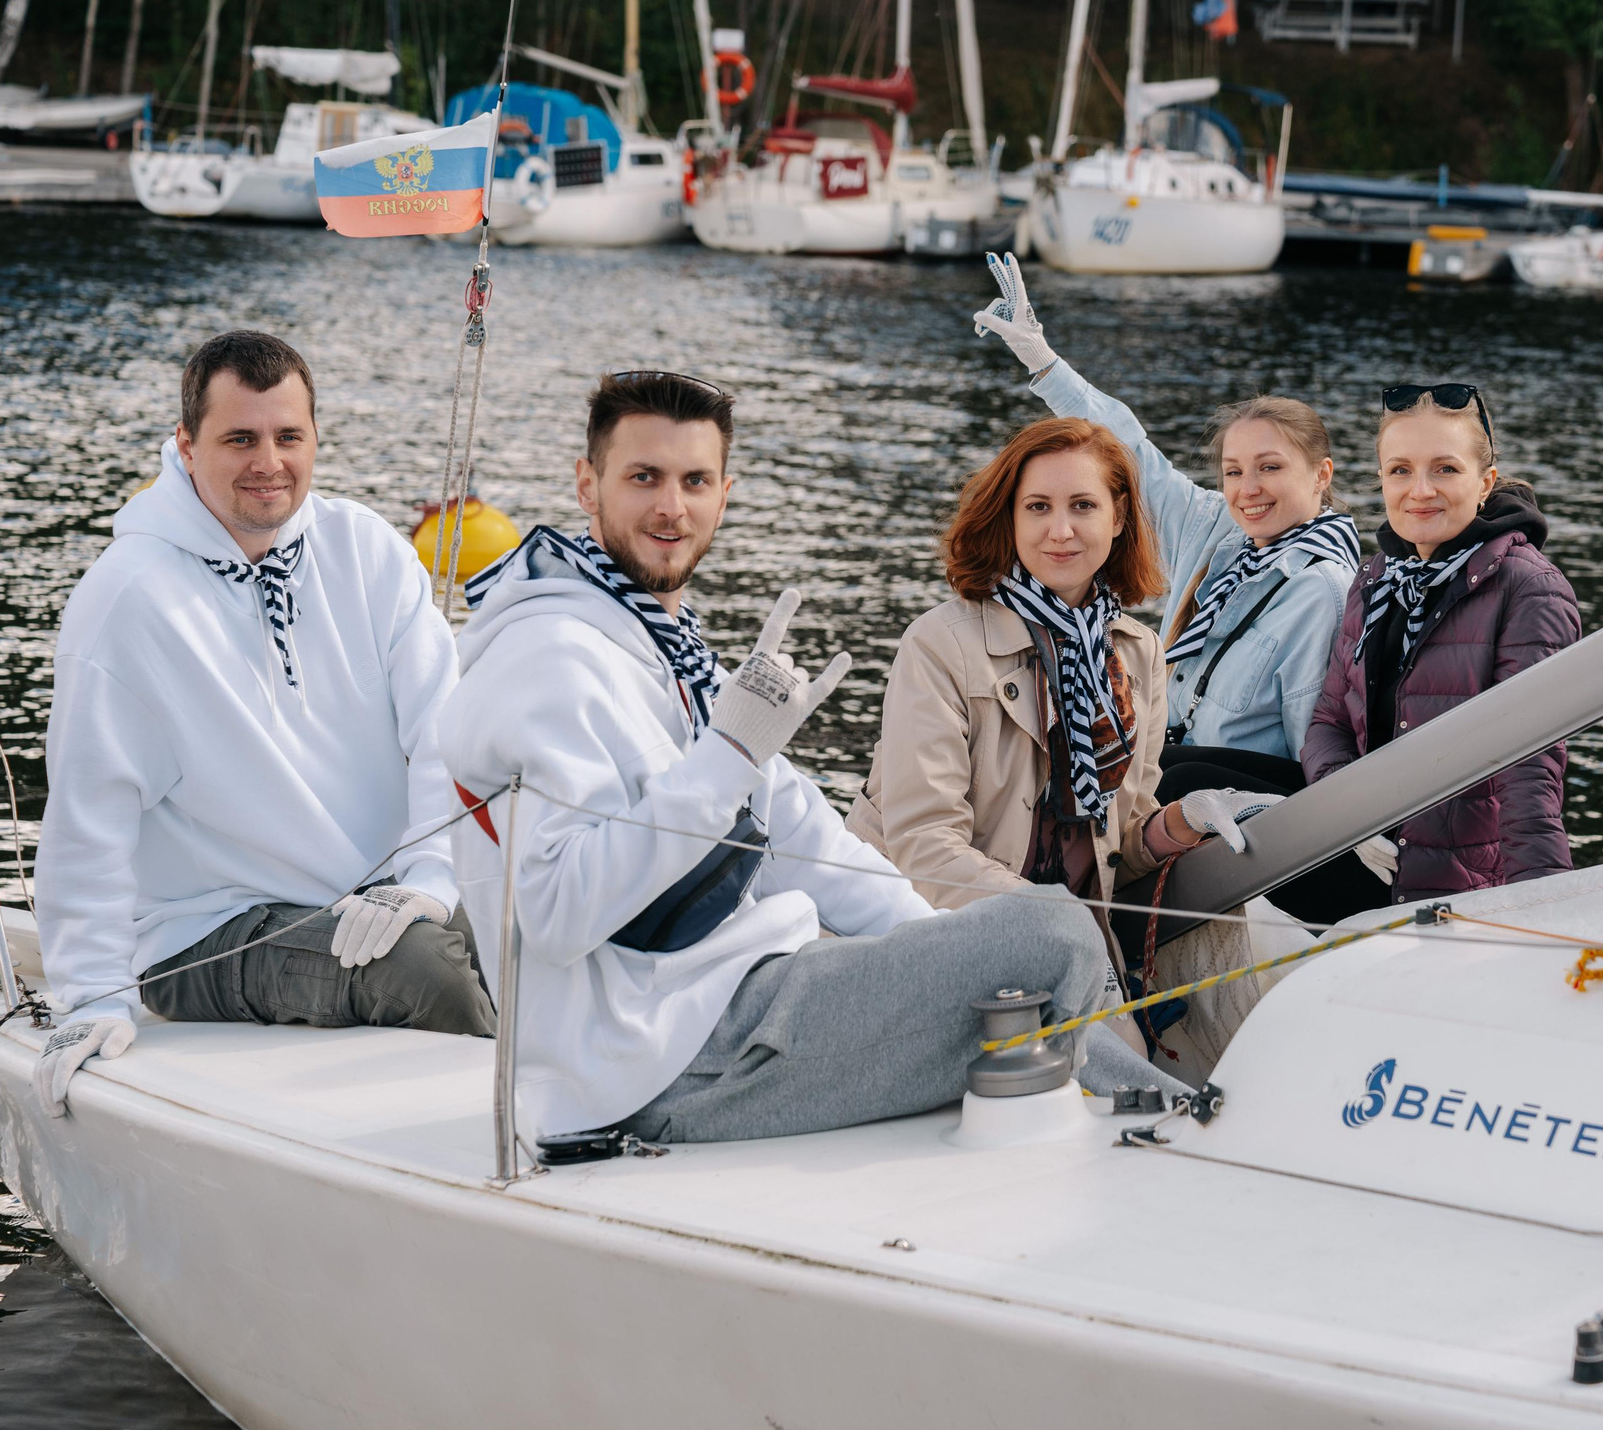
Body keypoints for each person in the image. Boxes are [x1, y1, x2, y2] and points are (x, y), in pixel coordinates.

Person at [439, 371, 1175, 1147]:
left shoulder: (669, 653)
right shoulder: (546, 657)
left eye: (695, 480)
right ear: (588, 486)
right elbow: (555, 914)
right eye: (643, 477)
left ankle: (1150, 1108)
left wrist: (944, 951)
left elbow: (814, 849)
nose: (671, 507)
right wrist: (726, 752)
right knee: (1053, 930)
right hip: (660, 1063)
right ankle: (1166, 1121)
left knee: (1024, 937)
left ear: (725, 494)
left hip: (747, 1004)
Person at [33, 331, 493, 1118]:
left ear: (316, 438)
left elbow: (441, 735)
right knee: (426, 971)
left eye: (289, 436)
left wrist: (430, 880)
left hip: (379, 895)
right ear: (186, 445)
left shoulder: (368, 551)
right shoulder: (127, 600)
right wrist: (90, 997)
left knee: (536, 916)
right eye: (239, 438)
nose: (267, 462)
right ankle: (524, 1154)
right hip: (206, 930)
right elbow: (88, 815)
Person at [850, 415, 1308, 1070]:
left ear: (1118, 516)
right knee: (1128, 1079)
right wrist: (1054, 924)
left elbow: (1117, 846)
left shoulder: (1139, 654)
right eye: (1038, 506)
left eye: (1082, 505)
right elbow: (925, 848)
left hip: (1073, 946)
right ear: (1009, 516)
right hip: (940, 936)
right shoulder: (940, 643)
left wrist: (1186, 819)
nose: (1059, 529)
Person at [967, 254, 1369, 920]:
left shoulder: (1323, 588)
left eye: (1270, 467)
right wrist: (1043, 363)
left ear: (1321, 475)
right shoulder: (1218, 529)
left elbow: (1312, 740)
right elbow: (1129, 450)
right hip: (1163, 769)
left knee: (1158, 774)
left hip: (1230, 806)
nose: (1247, 488)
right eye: (1234, 469)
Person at [1303, 385, 1581, 899]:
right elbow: (1329, 722)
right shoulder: (1375, 580)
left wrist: (1542, 904)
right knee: (1190, 784)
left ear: (1485, 483)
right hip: (1369, 851)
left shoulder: (1528, 588)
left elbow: (1529, 767)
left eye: (1445, 469)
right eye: (1401, 470)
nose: (1421, 490)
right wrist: (1345, 811)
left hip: (1453, 883)